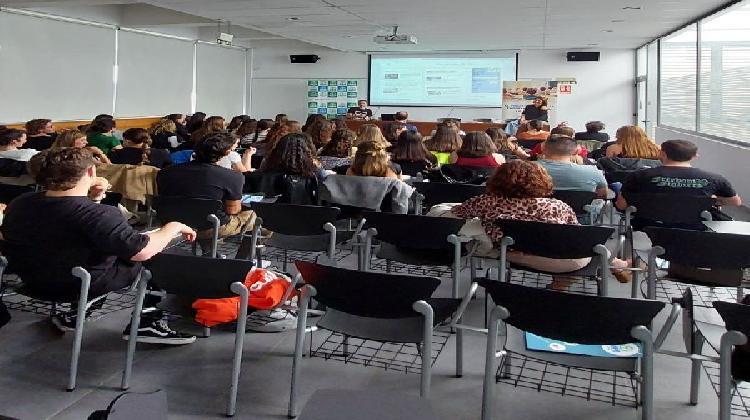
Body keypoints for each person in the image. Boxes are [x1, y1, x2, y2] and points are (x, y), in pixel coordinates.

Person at [1, 147, 197, 342]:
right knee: (157, 254)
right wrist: (172, 227)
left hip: (29, 282)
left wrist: (93, 198)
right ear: (90, 171)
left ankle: (78, 313)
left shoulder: (21, 203)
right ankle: (147, 322)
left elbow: (65, 228)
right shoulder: (100, 214)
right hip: (77, 286)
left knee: (96, 252)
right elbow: (142, 251)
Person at [448, 160, 629, 286]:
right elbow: (575, 237)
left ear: (497, 180)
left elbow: (457, 213)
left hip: (511, 255)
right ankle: (614, 264)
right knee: (588, 245)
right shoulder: (557, 205)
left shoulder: (485, 202)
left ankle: (614, 264)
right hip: (563, 260)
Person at [156, 132, 257, 253]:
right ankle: (242, 259)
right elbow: (233, 211)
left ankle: (209, 252)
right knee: (259, 218)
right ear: (227, 153)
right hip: (210, 226)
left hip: (170, 224)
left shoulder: (166, 172)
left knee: (204, 214)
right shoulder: (233, 176)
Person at [616, 139, 742, 213]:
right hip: (697, 226)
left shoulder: (638, 176)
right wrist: (713, 199)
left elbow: (621, 205)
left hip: (647, 226)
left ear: (663, 154)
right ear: (695, 156)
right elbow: (735, 202)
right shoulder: (715, 179)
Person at [536, 136, 608, 198]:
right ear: (576, 152)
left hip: (536, 209)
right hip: (580, 210)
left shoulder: (530, 169)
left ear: (543, 149)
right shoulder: (593, 172)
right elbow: (603, 195)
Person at [108, 128, 173, 169]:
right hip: (154, 185)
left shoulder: (115, 154)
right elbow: (169, 170)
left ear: (127, 141)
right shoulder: (162, 153)